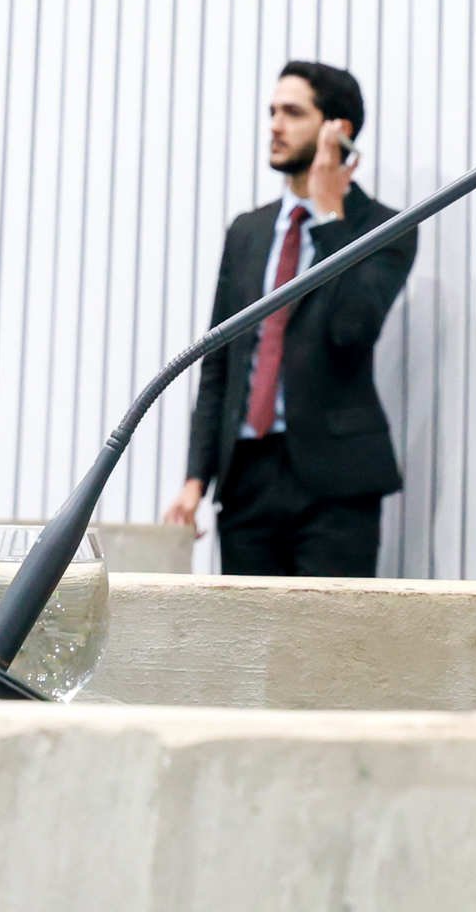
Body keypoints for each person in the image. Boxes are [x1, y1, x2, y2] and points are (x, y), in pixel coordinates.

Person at [166, 62, 418, 577]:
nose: (275, 125)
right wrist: (196, 480)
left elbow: (352, 329)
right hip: (246, 480)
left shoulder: (385, 227)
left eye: (293, 112)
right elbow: (220, 363)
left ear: (337, 130)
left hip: (335, 485)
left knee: (329, 630)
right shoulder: (248, 231)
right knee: (249, 629)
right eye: (273, 112)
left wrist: (329, 216)